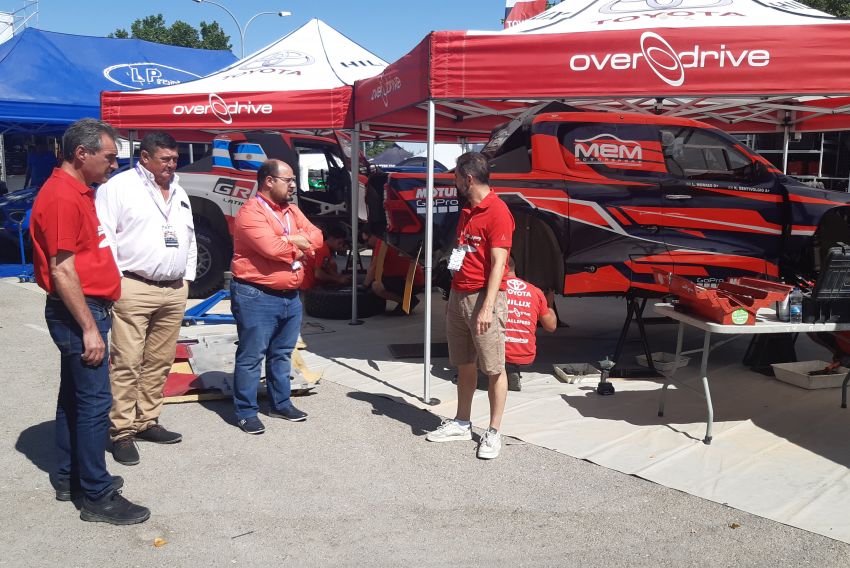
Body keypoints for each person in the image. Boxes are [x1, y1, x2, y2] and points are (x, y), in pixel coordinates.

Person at [29, 118, 150, 525]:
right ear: (82, 153)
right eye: (110, 157)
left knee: (75, 401)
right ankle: (96, 496)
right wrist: (89, 328)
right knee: (95, 405)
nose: (114, 165)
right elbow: (62, 269)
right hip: (80, 311)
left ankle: (71, 477)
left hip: (86, 307)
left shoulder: (78, 191)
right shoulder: (62, 195)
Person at [95, 131, 196, 466]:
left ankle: (147, 420)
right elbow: (104, 237)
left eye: (174, 159)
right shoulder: (118, 188)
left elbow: (189, 237)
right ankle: (121, 431)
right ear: (145, 158)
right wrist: (113, 284)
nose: (171, 165)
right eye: (165, 159)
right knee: (127, 362)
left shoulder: (179, 190)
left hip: (173, 288)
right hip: (133, 286)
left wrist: (188, 279)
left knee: (160, 360)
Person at [425, 152, 514, 459]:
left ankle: (492, 431)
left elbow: (499, 264)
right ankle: (462, 422)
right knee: (463, 363)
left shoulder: (498, 211)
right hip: (459, 295)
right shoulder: (468, 210)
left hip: (482, 298)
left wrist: (488, 307)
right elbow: (464, 251)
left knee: (493, 367)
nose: (454, 182)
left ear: (469, 178)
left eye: (456, 178)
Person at [230, 159, 322, 434]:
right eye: (289, 180)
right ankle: (246, 412)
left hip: (290, 295)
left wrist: (292, 241)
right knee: (251, 355)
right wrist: (297, 243)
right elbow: (271, 248)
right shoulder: (250, 212)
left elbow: (317, 237)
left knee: (282, 353)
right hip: (256, 294)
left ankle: (280, 403)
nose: (294, 185)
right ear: (269, 181)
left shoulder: (292, 210)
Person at [504, 257, 557, 391]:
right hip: (525, 355)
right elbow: (551, 326)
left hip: (497, 353)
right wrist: (550, 304)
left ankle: (475, 371)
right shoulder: (535, 291)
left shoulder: (492, 289)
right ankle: (511, 369)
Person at [362, 229, 425, 315]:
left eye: (367, 240)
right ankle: (407, 300)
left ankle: (407, 302)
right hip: (412, 279)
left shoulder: (382, 242)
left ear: (373, 235)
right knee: (376, 280)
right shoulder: (387, 240)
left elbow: (373, 267)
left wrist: (364, 286)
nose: (366, 244)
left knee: (376, 286)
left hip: (411, 281)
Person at [301, 224, 351, 289]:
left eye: (342, 244)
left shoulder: (324, 247)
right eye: (339, 243)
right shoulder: (323, 249)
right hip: (308, 287)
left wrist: (339, 277)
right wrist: (338, 279)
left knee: (333, 265)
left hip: (306, 284)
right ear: (331, 239)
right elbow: (318, 274)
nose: (340, 246)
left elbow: (326, 268)